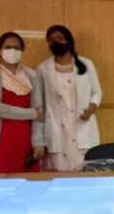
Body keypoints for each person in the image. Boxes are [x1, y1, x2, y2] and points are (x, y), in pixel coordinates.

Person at [33, 25, 102, 171]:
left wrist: (91, 108)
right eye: (51, 40)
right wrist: (37, 140)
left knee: (84, 176)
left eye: (60, 38)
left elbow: (97, 92)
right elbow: (39, 106)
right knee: (57, 176)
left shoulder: (86, 64)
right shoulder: (43, 68)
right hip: (56, 134)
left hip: (82, 129)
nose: (55, 42)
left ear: (69, 41)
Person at [0, 31, 44, 173]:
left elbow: (39, 113)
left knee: (28, 186)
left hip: (25, 141)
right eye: (8, 47)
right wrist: (31, 114)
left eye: (17, 47)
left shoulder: (31, 75)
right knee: (0, 184)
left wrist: (38, 143)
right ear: (0, 49)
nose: (12, 51)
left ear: (22, 51)